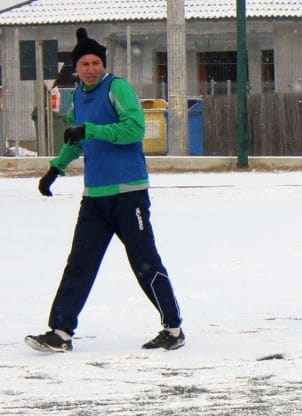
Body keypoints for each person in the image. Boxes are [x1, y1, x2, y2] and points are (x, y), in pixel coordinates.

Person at [25, 28, 185, 353]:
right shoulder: (78, 99)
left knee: (145, 262)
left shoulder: (117, 88)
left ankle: (173, 328)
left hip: (129, 195)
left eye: (96, 62)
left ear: (104, 64)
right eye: (84, 63)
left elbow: (134, 128)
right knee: (79, 264)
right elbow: (76, 139)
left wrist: (92, 129)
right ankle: (61, 332)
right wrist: (55, 169)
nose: (91, 69)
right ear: (76, 68)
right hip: (95, 198)